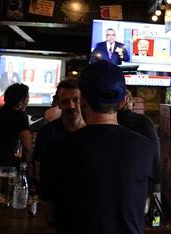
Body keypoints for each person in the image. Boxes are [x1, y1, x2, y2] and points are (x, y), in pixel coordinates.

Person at [40, 60, 155, 234]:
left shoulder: (54, 148)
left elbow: (49, 218)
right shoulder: (145, 146)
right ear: (122, 102)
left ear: (83, 100)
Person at [0, 83, 33, 194]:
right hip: (1, 179)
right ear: (20, 104)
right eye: (27, 100)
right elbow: (27, 147)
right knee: (36, 181)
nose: (27, 103)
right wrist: (26, 171)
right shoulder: (18, 115)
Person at [33, 79, 86, 178]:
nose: (71, 106)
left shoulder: (93, 131)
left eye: (76, 100)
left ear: (83, 101)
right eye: (65, 102)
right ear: (59, 104)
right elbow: (41, 174)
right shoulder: (46, 133)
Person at [117, 90, 161, 186]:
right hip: (152, 180)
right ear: (130, 104)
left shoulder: (115, 123)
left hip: (125, 183)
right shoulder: (145, 121)